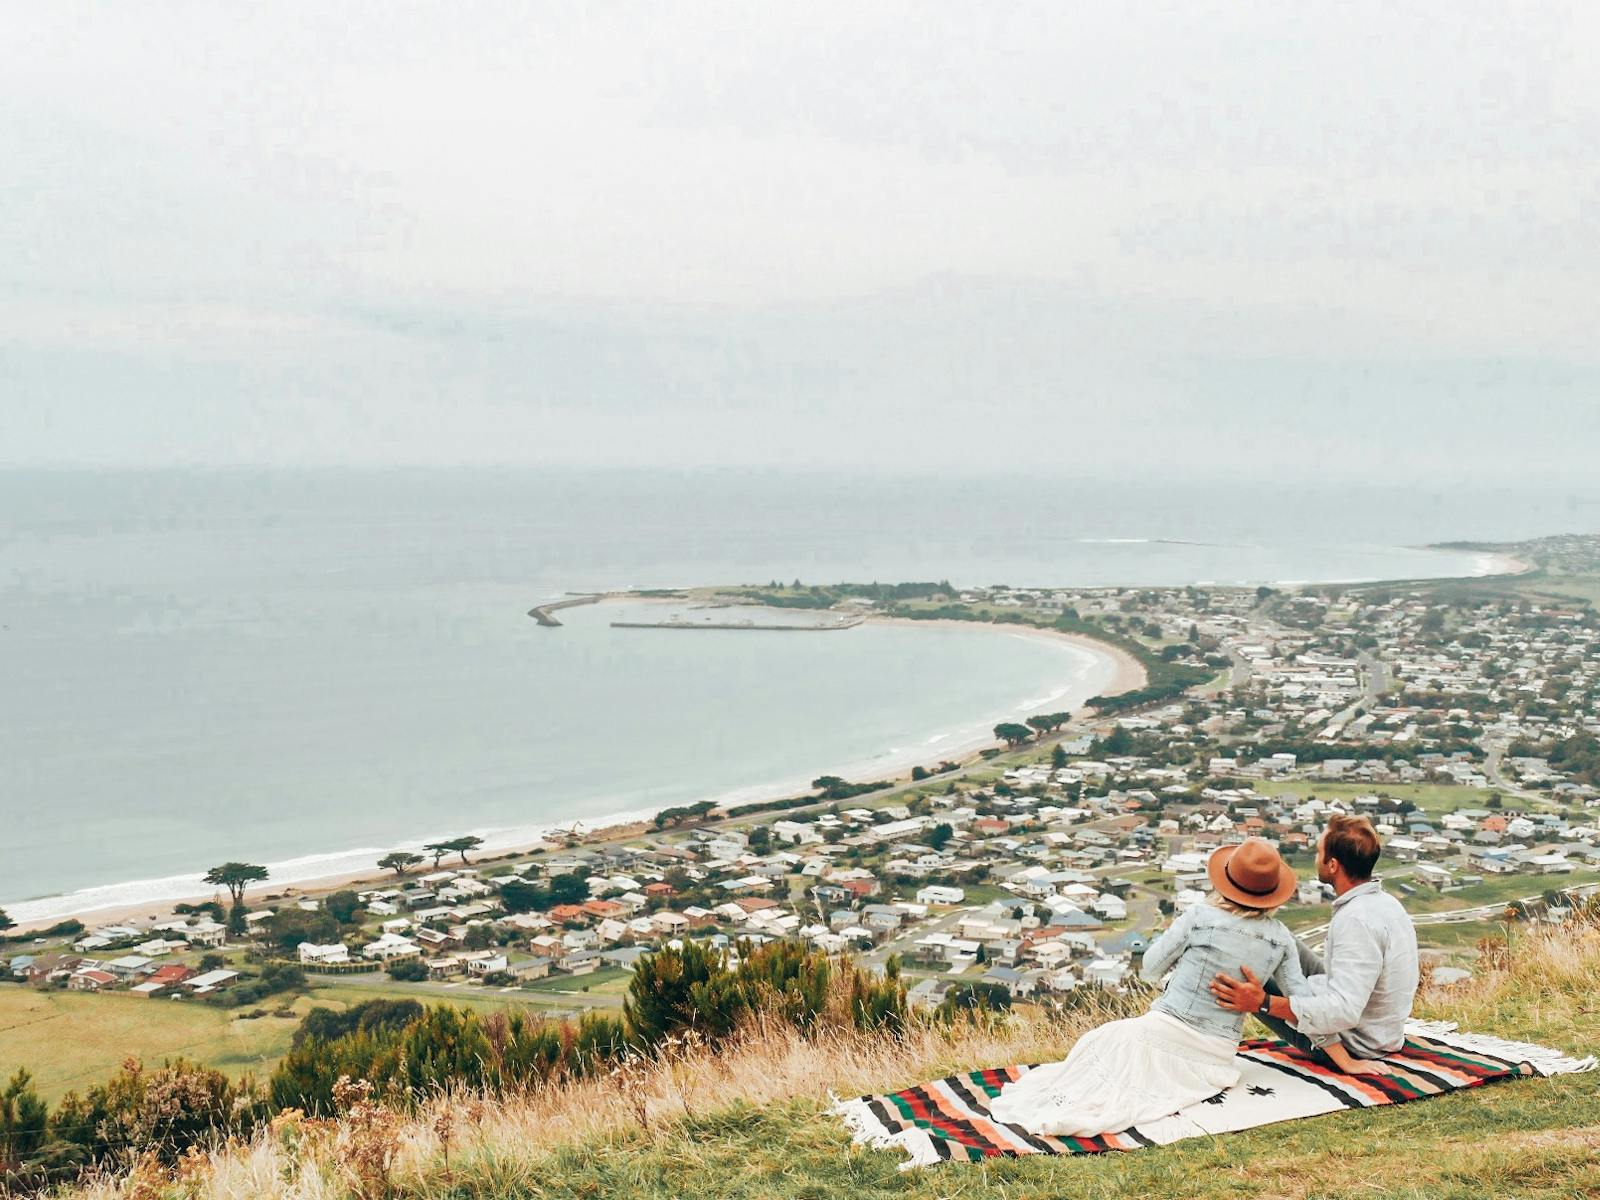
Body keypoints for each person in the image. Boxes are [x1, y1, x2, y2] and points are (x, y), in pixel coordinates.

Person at [989, 836, 1308, 1137]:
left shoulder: (1200, 916)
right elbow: (1301, 1001)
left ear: (1226, 880)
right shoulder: (1281, 937)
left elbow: (1150, 968)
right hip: (1219, 1055)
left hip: (1171, 1025)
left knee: (1101, 1041)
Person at [1209, 812, 1419, 1074]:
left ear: (1332, 865)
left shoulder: (1355, 921)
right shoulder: (1385, 903)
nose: (1315, 858)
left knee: (1240, 965)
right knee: (1276, 937)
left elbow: (1343, 1011)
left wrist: (1263, 1002)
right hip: (1376, 1027)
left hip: (1354, 1043)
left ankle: (1201, 1048)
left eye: (1319, 853)